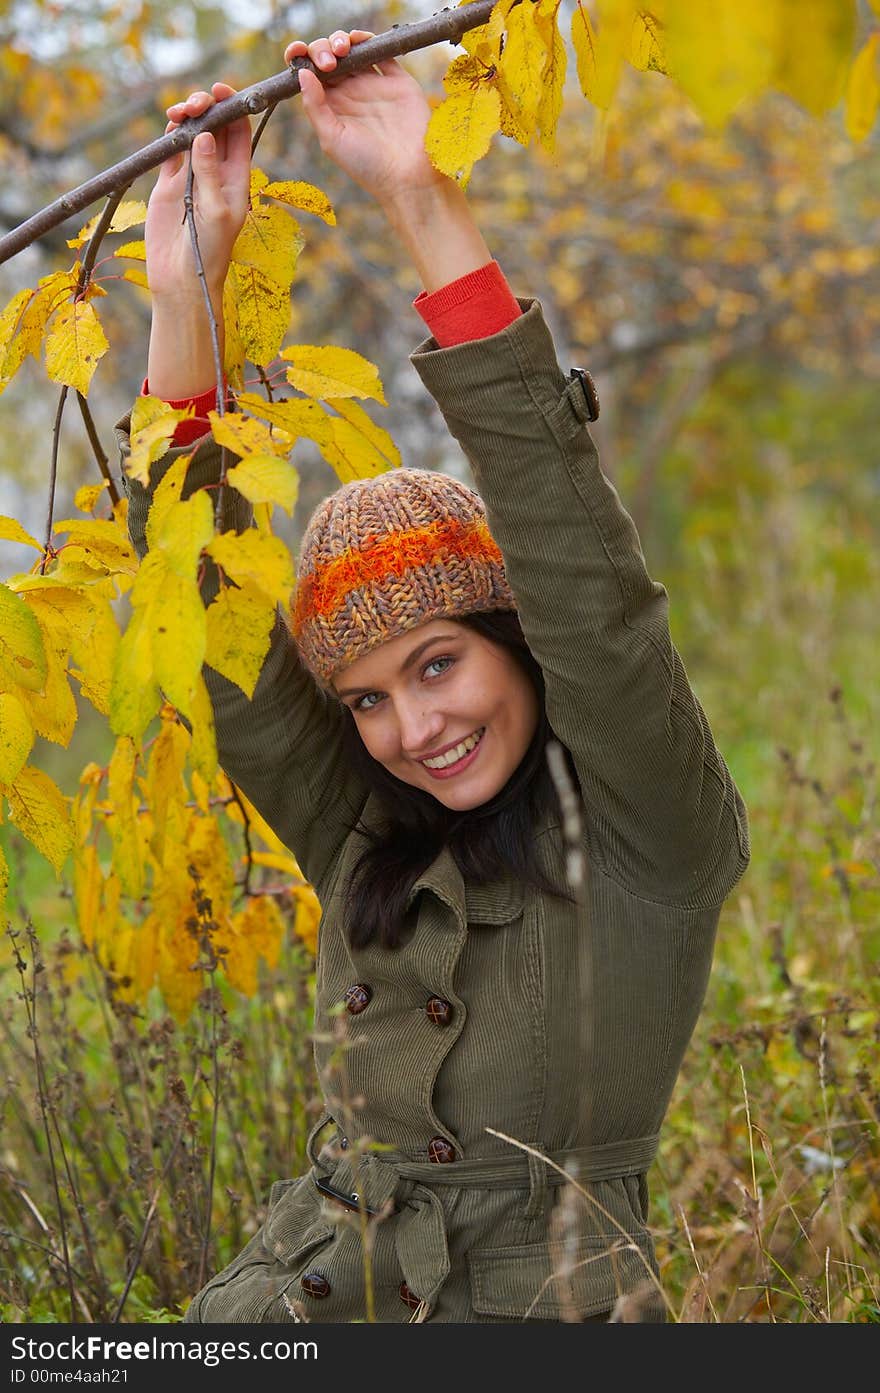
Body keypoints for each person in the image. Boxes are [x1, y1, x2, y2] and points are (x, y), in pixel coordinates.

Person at [120, 29, 750, 1324]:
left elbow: (586, 575)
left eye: (439, 662)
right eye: (362, 697)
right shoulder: (363, 829)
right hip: (297, 1299)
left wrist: (419, 192)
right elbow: (213, 615)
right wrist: (186, 294)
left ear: (513, 637)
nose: (412, 727)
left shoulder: (650, 827)